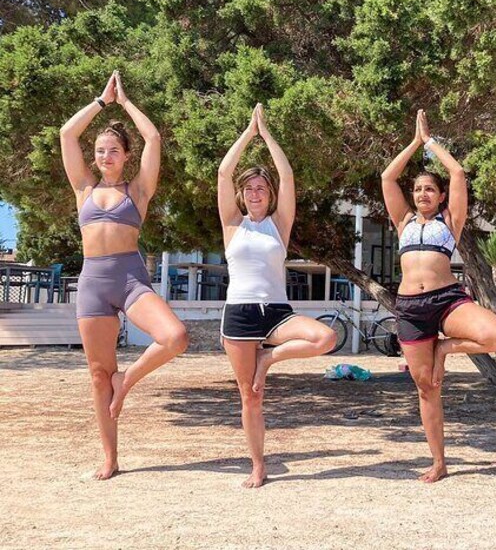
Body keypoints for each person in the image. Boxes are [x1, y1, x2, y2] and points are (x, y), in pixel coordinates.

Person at [60, 71, 188, 480]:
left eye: (113, 150)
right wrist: (101, 102)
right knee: (98, 375)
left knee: (175, 337)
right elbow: (66, 134)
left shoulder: (138, 190)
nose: (105, 156)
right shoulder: (83, 188)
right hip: (93, 284)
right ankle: (111, 457)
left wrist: (126, 103)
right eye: (99, 150)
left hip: (131, 278)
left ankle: (127, 379)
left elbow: (153, 139)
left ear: (125, 155)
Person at [381, 110, 496, 483]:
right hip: (410, 308)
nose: (423, 193)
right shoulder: (403, 221)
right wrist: (413, 143)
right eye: (418, 189)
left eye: (429, 189)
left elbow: (456, 173)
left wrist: (431, 142)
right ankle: (439, 461)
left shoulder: (450, 221)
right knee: (428, 387)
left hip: (447, 301)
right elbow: (388, 176)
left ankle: (445, 348)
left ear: (439, 197)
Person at [218, 103, 336, 488]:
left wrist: (265, 133)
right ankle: (257, 465)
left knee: (325, 337)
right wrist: (246, 134)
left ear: (269, 195)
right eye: (249, 188)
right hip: (239, 315)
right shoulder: (232, 225)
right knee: (250, 396)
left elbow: (286, 174)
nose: (255, 193)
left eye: (261, 188)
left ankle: (269, 357)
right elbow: (223, 171)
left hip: (277, 314)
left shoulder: (278, 226)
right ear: (241, 194)